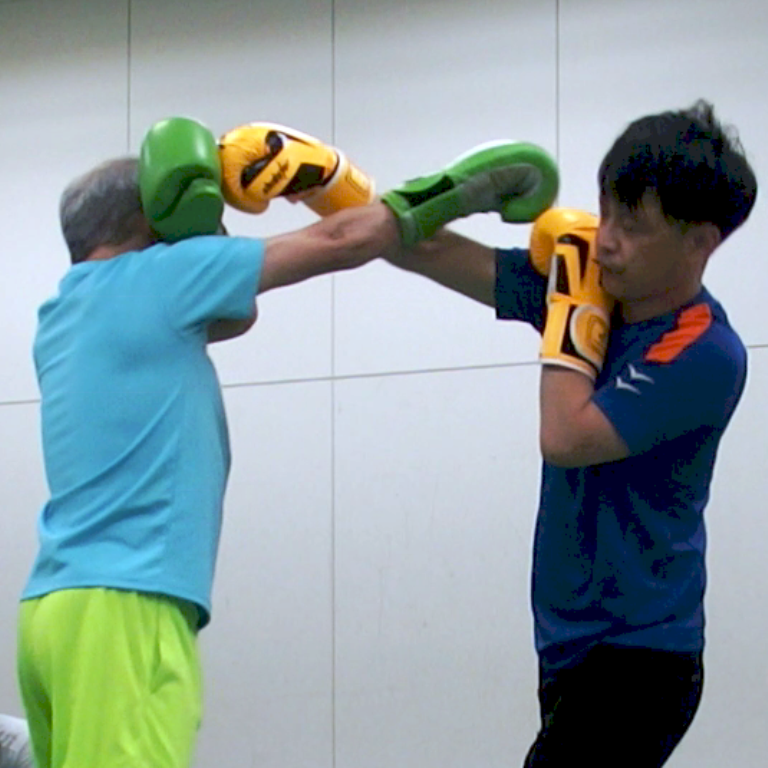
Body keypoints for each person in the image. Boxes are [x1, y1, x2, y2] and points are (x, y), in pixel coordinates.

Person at [15, 117, 558, 768]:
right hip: (125, 606)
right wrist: (460, 190)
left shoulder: (63, 314)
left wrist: (203, 228)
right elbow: (339, 240)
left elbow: (235, 316)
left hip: (52, 612)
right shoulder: (156, 279)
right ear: (152, 217)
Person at [386, 99, 757, 766]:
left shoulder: (706, 350)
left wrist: (571, 307)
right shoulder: (594, 287)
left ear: (700, 242)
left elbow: (566, 434)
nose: (606, 240)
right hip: (568, 645)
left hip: (642, 655)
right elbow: (430, 250)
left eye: (633, 227)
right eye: (605, 212)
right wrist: (332, 188)